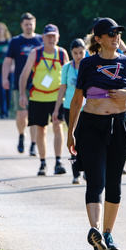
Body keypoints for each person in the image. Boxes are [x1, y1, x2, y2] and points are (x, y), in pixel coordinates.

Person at [67, 17, 126, 250]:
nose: (116, 38)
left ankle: (108, 233)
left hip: (119, 126)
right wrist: (70, 132)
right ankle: (94, 230)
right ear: (99, 39)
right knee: (96, 180)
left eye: (118, 34)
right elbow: (76, 100)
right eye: (111, 34)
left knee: (114, 183)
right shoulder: (88, 64)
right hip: (92, 126)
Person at [18, 24, 69, 176]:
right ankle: (43, 162)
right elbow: (24, 74)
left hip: (57, 98)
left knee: (58, 127)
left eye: (54, 36)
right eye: (48, 36)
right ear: (43, 38)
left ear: (58, 37)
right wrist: (22, 94)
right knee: (41, 129)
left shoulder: (62, 53)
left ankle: (58, 161)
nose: (51, 39)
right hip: (37, 97)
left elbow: (68, 75)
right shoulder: (36, 53)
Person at [3, 12, 43, 154]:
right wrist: (4, 78)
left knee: (34, 115)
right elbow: (7, 61)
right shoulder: (15, 41)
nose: (29, 26)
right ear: (22, 25)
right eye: (26, 24)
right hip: (19, 83)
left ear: (35, 24)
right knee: (21, 115)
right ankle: (21, 135)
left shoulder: (40, 40)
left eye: (31, 24)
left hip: (38, 84)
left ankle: (33, 144)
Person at [57, 37, 87, 183]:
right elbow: (62, 88)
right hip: (70, 107)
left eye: (81, 52)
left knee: (86, 140)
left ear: (85, 51)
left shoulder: (89, 66)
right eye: (75, 53)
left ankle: (87, 170)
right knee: (73, 140)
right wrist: (57, 108)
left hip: (87, 107)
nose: (78, 56)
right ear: (71, 53)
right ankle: (76, 173)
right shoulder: (67, 68)